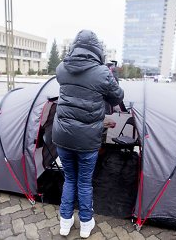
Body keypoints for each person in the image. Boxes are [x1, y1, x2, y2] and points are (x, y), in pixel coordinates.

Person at [52, 30, 124, 238]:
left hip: (63, 137)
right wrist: (112, 76)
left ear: (75, 47)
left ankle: (65, 223)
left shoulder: (61, 69)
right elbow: (116, 98)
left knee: (69, 179)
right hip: (87, 140)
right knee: (84, 182)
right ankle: (85, 224)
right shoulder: (102, 73)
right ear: (96, 50)